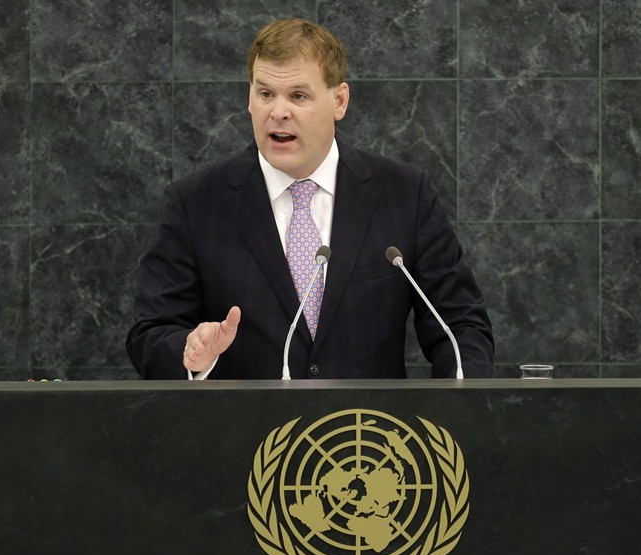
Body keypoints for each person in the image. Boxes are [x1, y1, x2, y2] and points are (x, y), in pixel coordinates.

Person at [126, 17, 494, 380]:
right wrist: (191, 352)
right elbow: (151, 333)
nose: (279, 111)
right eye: (265, 93)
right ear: (250, 99)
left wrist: (458, 412)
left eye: (298, 96)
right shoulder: (196, 203)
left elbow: (461, 324)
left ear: (339, 101)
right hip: (243, 435)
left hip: (367, 434)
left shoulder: (403, 194)